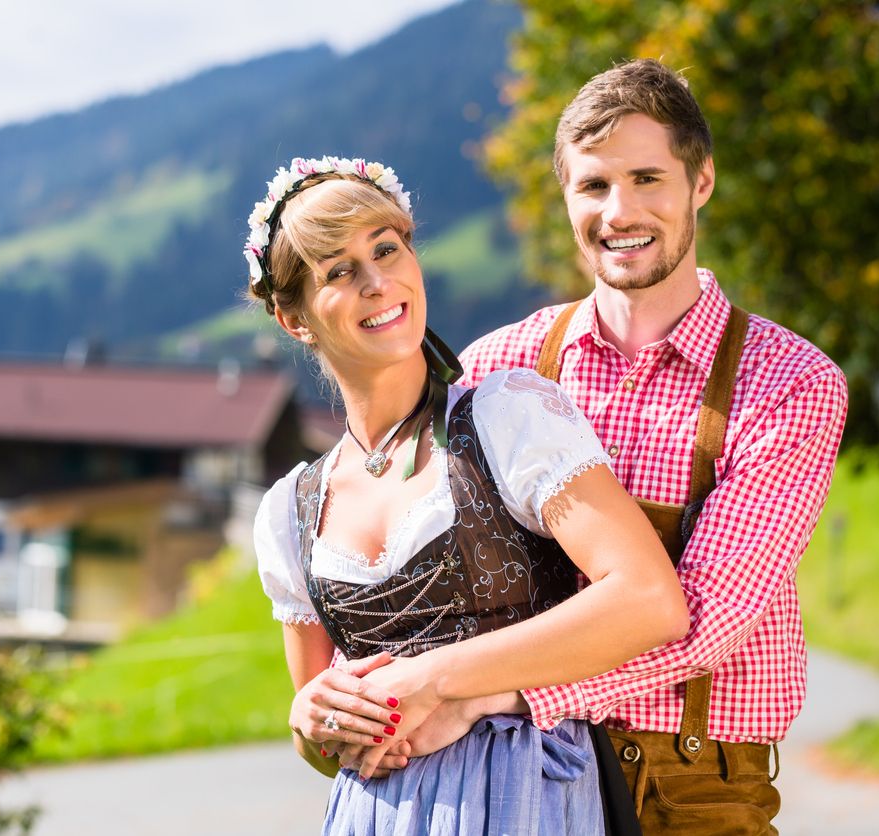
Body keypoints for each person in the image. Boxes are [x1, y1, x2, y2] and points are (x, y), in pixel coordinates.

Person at [334, 60, 849, 834]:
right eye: (595, 186)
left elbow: (701, 620)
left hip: (690, 786)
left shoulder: (787, 383)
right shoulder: (499, 364)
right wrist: (339, 694)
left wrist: (480, 691)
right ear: (566, 197)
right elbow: (426, 562)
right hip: (506, 770)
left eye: (648, 178)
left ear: (700, 181)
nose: (621, 211)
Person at [246, 154, 689, 835]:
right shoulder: (291, 511)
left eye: (387, 250)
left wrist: (438, 678)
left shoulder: (504, 419)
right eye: (338, 271)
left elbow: (649, 600)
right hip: (375, 818)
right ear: (293, 319)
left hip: (525, 801)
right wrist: (307, 721)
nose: (377, 282)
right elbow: (324, 744)